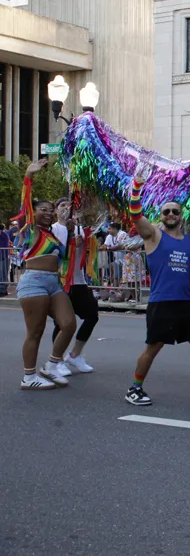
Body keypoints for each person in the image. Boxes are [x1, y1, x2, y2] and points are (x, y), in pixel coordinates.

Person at [124, 172, 190, 406]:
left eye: (175, 211)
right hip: (161, 301)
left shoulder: (188, 240)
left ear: (181, 216)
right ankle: (134, 388)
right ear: (161, 216)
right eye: (166, 212)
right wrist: (137, 186)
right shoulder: (153, 234)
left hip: (186, 301)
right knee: (154, 346)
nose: (170, 214)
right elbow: (135, 214)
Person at [12, 159, 77, 389]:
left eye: (51, 210)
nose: (48, 213)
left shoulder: (52, 235)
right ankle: (29, 377)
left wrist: (71, 234)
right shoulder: (30, 229)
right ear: (34, 212)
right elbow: (25, 205)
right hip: (34, 282)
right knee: (35, 332)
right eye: (43, 210)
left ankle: (52, 364)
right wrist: (28, 176)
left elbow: (64, 259)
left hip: (53, 283)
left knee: (68, 324)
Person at [50, 197, 99, 374]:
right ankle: (57, 360)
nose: (66, 208)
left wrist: (87, 242)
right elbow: (53, 253)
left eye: (68, 206)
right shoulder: (53, 229)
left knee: (92, 316)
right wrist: (71, 245)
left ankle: (75, 355)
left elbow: (88, 251)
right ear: (56, 210)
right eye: (62, 205)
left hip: (79, 281)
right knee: (61, 323)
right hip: (60, 283)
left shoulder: (79, 229)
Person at [0, 223, 10, 296]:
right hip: (3, 256)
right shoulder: (4, 234)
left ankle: (2, 289)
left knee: (3, 273)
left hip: (3, 257)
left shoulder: (3, 234)